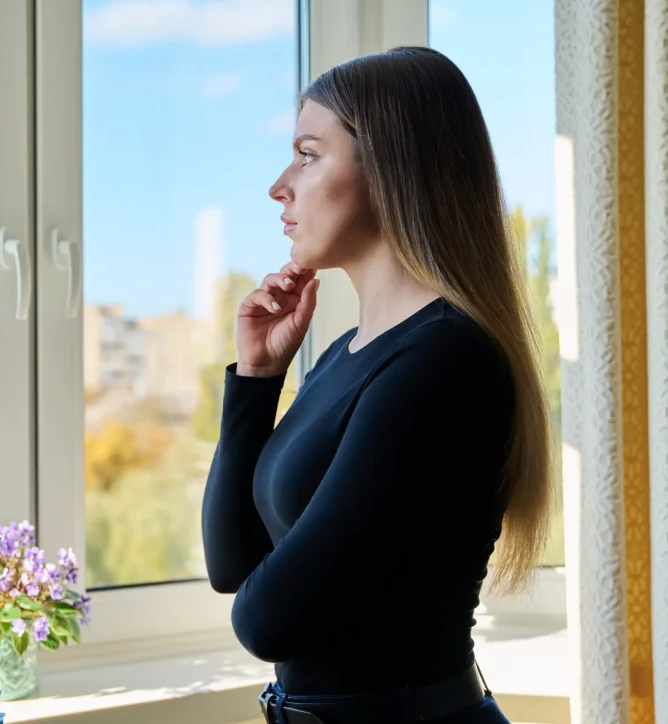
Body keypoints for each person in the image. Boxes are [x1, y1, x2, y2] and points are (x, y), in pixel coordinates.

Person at [201, 46, 552, 724]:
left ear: (391, 165)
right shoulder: (344, 356)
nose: (281, 184)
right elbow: (232, 563)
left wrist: (276, 588)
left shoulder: (444, 362)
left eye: (308, 154)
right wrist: (255, 380)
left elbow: (267, 621)